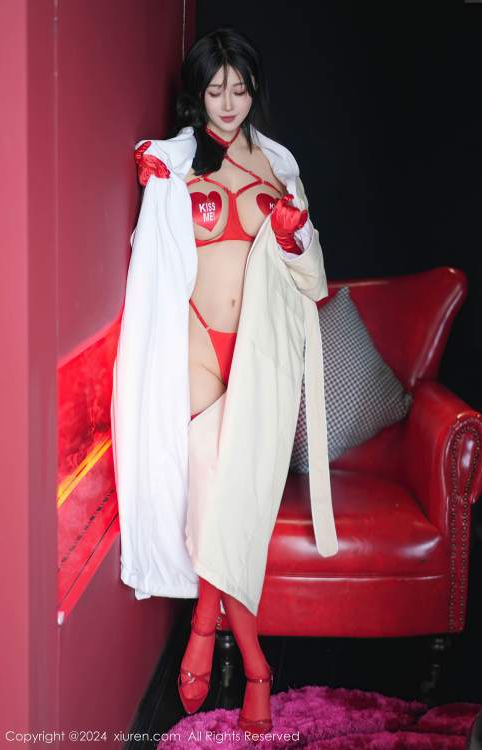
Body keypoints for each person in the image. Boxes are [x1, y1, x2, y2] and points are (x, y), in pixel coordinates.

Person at [112, 26, 338, 735]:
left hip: (261, 357)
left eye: (240, 89)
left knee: (229, 500)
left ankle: (208, 629)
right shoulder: (177, 164)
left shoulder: (280, 168)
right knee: (214, 489)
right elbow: (152, 253)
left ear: (254, 90)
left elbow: (314, 281)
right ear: (197, 95)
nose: (229, 103)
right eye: (215, 91)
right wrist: (155, 173)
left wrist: (296, 236)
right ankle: (257, 666)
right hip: (198, 347)